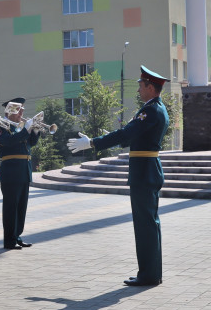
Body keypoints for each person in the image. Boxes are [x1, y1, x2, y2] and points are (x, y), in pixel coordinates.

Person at [68, 66, 170, 286]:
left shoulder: (150, 111)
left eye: (141, 85)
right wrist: (111, 139)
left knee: (145, 225)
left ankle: (149, 275)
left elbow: (126, 133)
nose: (138, 89)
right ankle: (151, 273)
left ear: (150, 87)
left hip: (144, 172)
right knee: (149, 224)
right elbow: (133, 136)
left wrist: (93, 142)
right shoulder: (157, 108)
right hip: (147, 170)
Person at [0, 98, 39, 250]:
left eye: (22, 110)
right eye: (19, 110)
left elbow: (31, 143)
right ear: (10, 111)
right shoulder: (3, 126)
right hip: (11, 171)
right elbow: (8, 141)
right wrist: (26, 130)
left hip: (23, 170)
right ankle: (9, 240)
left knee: (21, 207)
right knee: (11, 207)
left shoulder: (20, 127)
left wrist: (35, 130)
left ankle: (17, 236)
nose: (22, 113)